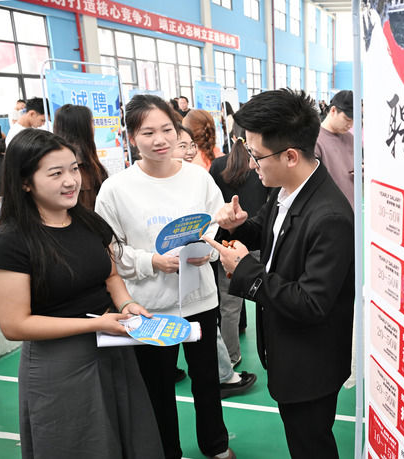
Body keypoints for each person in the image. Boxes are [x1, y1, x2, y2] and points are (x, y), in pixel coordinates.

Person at [0, 128, 164, 458]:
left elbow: (111, 276)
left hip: (113, 352)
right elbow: (15, 325)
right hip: (60, 366)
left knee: (131, 441)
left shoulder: (88, 222)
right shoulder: (9, 243)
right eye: (56, 173)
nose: (71, 181)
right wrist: (95, 324)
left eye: (74, 169)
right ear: (25, 182)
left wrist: (127, 303)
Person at [204, 88, 355, 459]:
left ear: (290, 156)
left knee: (311, 445)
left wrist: (246, 271)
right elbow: (269, 230)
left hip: (311, 363)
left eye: (256, 156)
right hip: (287, 350)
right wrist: (239, 226)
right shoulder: (287, 188)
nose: (251, 164)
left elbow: (311, 303)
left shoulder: (330, 217)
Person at [95, 95, 238, 459]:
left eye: (166, 130)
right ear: (131, 138)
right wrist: (152, 262)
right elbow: (110, 250)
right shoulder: (116, 189)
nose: (159, 140)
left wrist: (208, 249)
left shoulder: (198, 177)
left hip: (199, 299)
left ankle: (215, 444)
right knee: (157, 387)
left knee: (207, 379)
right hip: (149, 307)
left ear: (177, 131)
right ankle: (166, 451)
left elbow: (213, 226)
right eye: (148, 132)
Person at [209, 124, 268, 372]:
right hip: (259, 238)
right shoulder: (263, 165)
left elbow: (212, 204)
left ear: (233, 136)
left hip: (230, 243)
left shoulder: (218, 165)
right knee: (267, 298)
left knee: (229, 306)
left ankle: (231, 356)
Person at [53, 104, 109, 210]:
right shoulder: (80, 169)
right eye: (92, 122)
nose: (94, 127)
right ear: (83, 127)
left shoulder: (87, 159)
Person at [315, 90, 354, 207]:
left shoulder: (350, 138)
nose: (350, 125)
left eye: (354, 121)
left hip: (351, 209)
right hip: (327, 210)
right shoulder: (314, 140)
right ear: (333, 111)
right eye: (347, 119)